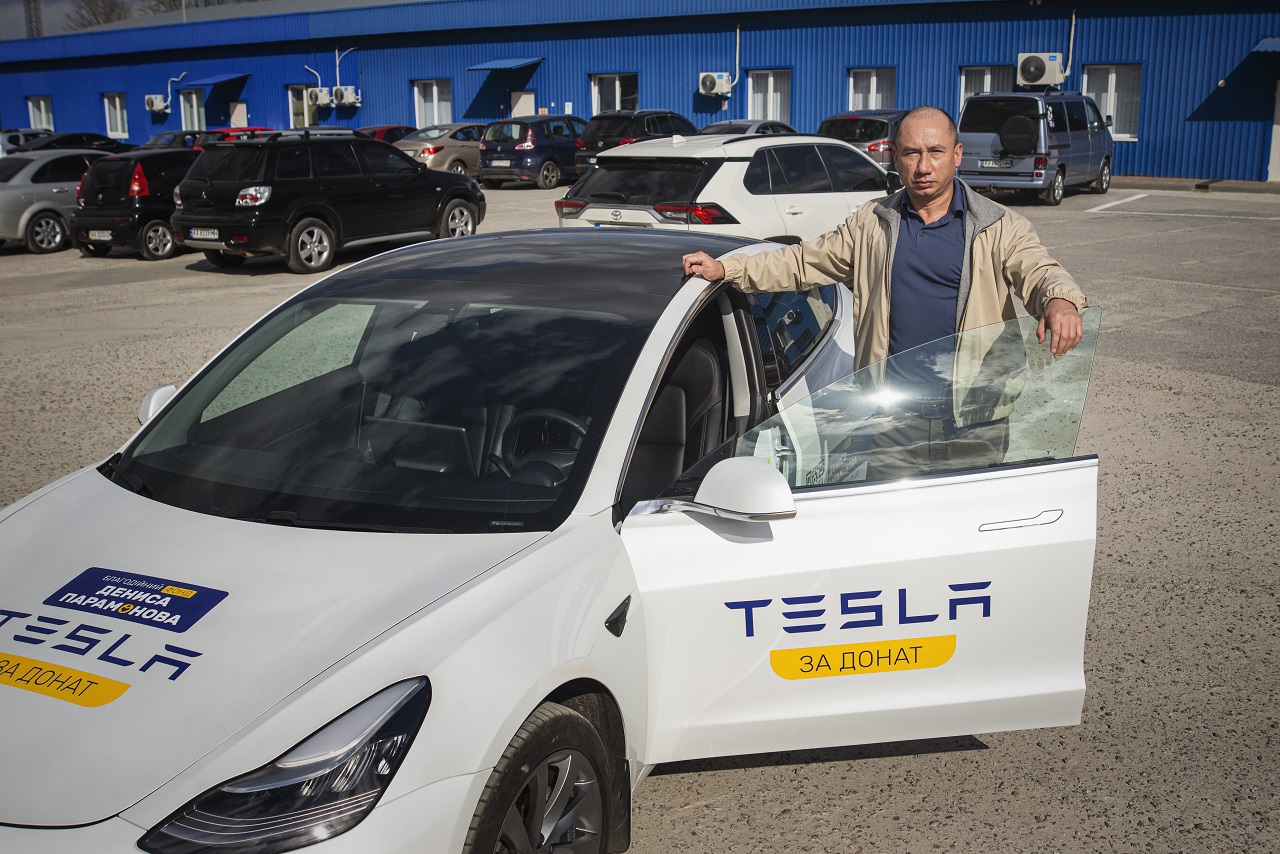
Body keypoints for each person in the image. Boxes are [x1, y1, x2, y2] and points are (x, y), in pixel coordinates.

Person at [681, 105, 1089, 479]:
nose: (923, 166)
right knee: (892, 522)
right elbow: (803, 262)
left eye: (935, 152)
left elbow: (1038, 270)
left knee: (967, 522)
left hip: (975, 419)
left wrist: (1059, 300)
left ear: (957, 155)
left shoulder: (997, 225)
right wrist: (728, 268)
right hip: (894, 417)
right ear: (895, 157)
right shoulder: (872, 223)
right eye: (911, 153)